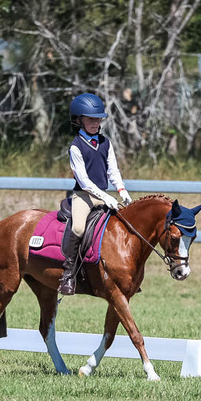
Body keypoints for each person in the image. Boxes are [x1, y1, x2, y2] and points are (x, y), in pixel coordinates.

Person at [58, 92, 132, 295]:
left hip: (104, 194)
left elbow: (113, 170)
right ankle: (68, 274)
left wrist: (122, 190)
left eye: (98, 119)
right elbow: (84, 181)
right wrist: (106, 197)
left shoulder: (105, 142)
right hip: (83, 195)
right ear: (78, 120)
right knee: (80, 228)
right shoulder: (76, 147)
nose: (95, 122)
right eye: (90, 119)